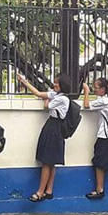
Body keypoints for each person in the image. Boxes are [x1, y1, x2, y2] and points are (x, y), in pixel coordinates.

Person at [16, 72, 72, 202]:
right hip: (51, 126)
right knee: (50, 162)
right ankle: (49, 190)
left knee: (47, 162)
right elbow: (38, 94)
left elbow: (46, 105)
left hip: (54, 127)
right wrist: (25, 82)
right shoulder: (57, 95)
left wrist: (47, 98)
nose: (54, 85)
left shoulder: (62, 99)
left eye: (57, 83)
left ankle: (40, 192)